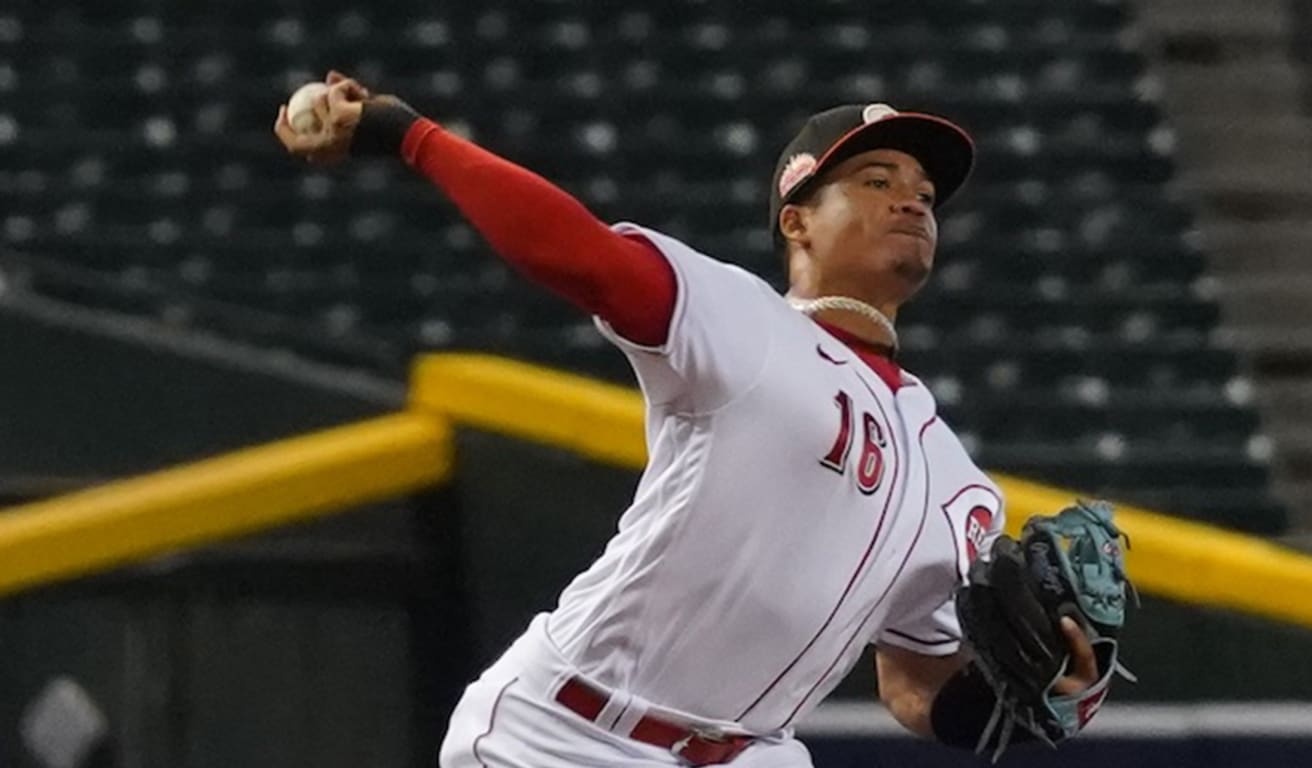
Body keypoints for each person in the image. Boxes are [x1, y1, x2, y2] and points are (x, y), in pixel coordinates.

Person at [275, 71, 1101, 767]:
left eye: (924, 194)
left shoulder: (958, 480)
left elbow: (914, 685)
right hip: (564, 734)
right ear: (796, 218)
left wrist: (1048, 691)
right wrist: (413, 138)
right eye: (876, 181)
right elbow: (581, 256)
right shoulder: (737, 320)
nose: (911, 202)